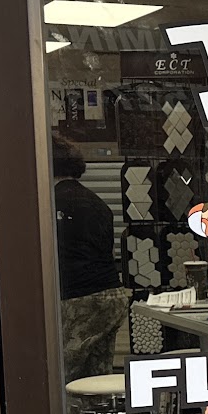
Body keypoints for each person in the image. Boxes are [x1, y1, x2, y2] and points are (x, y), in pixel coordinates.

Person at [51, 136, 128, 378]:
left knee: (61, 377)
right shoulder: (98, 203)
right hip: (111, 295)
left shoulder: (49, 204)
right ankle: (99, 405)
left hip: (78, 298)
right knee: (97, 377)